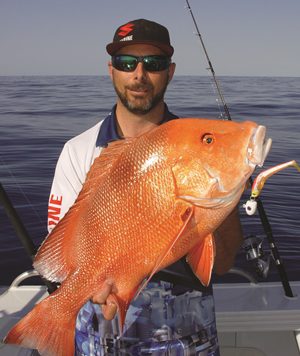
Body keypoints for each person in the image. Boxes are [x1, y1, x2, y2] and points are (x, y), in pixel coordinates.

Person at [47, 18, 243, 356]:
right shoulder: (79, 150)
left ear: (170, 71)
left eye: (153, 63)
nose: (139, 74)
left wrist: (220, 198)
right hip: (100, 335)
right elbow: (63, 261)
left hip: (187, 338)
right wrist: (91, 286)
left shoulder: (197, 147)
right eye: (127, 63)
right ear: (112, 70)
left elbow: (221, 263)